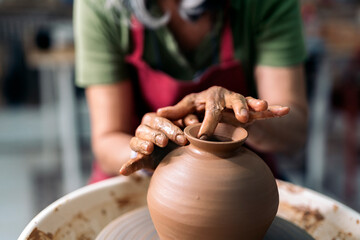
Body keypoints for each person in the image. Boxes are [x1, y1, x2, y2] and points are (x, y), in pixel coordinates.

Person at [74, 0, 308, 182]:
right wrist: (150, 152)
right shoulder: (103, 5)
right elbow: (106, 139)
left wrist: (246, 119)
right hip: (146, 180)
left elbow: (294, 129)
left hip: (242, 179)